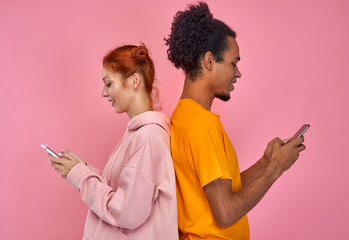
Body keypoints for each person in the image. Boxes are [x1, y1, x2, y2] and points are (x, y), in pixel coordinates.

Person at [165, 2, 306, 240]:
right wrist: (276, 168)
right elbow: (226, 212)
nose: (238, 73)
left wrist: (265, 162)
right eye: (233, 63)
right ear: (209, 61)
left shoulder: (184, 115)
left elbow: (221, 192)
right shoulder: (202, 124)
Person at [48, 44, 179, 240]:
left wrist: (79, 175)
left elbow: (126, 212)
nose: (103, 92)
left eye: (108, 84)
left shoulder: (148, 137)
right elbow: (121, 193)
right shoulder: (137, 133)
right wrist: (80, 168)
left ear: (134, 81)